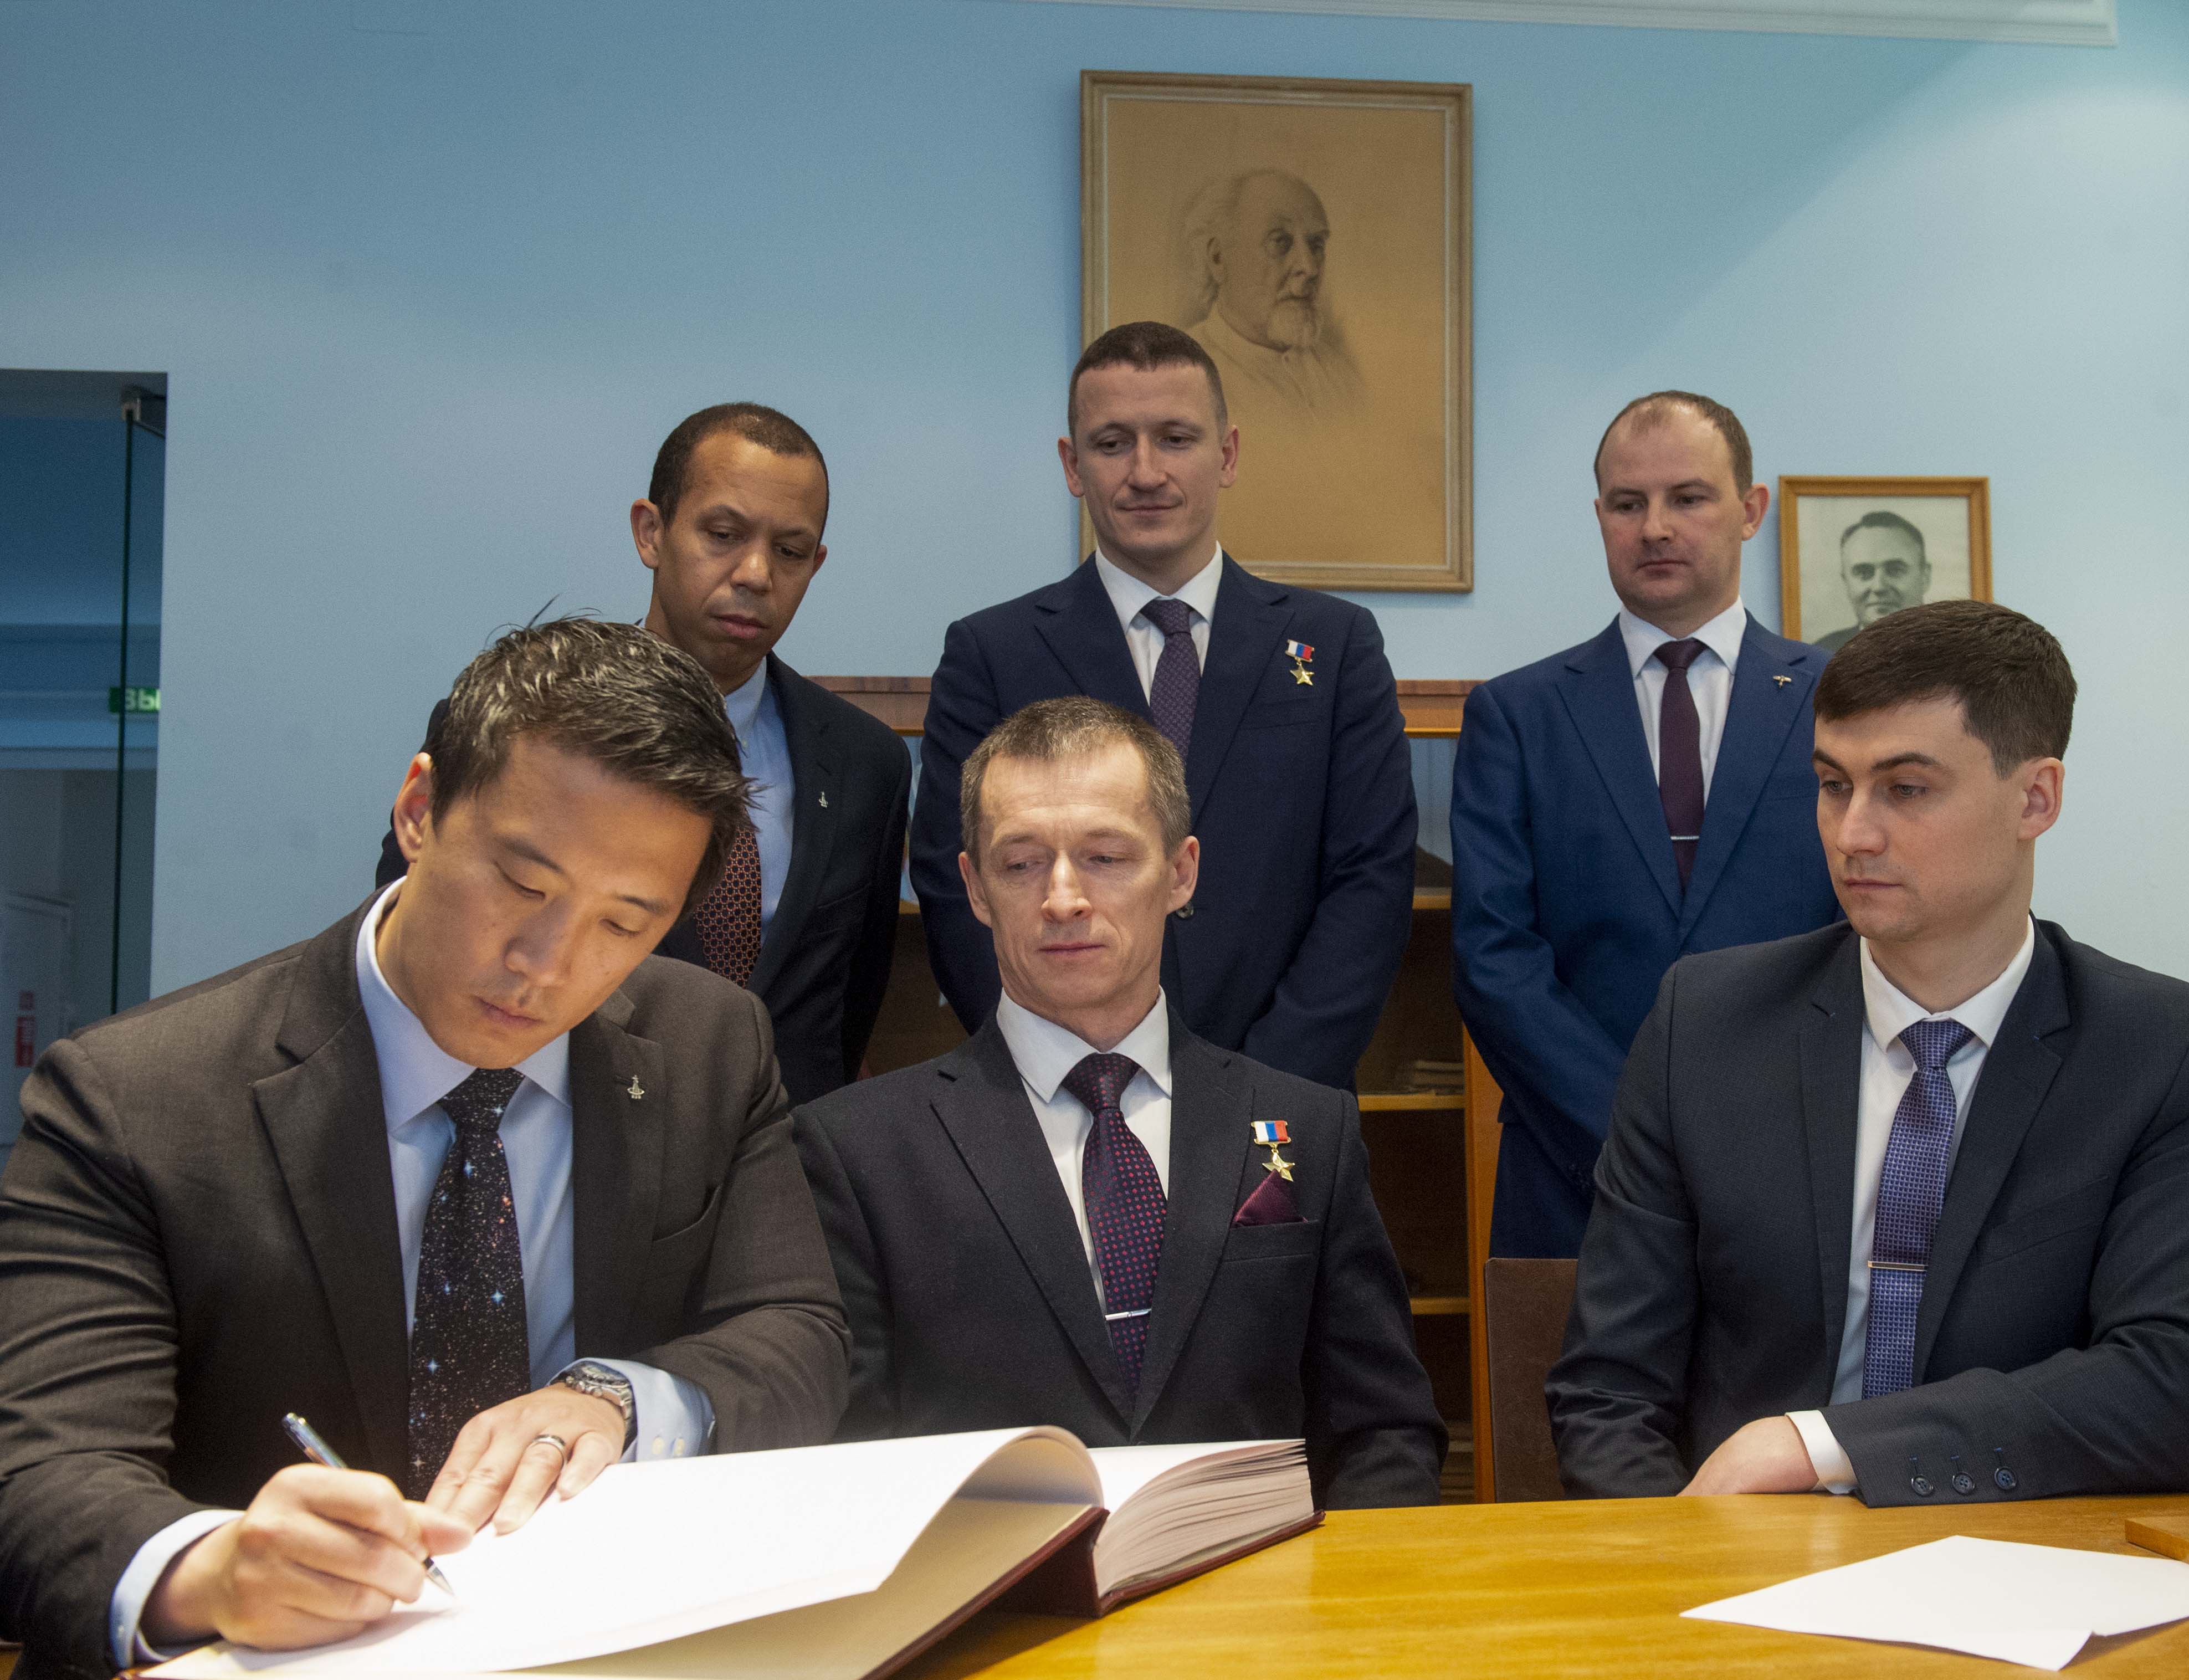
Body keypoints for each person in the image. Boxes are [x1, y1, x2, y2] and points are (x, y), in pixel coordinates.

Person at [0, 622, 849, 1680]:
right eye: (523, 884)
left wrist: (618, 1397)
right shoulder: (134, 1096)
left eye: (624, 923)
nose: (547, 964)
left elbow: (795, 1331)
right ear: (418, 809)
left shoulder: (708, 1043)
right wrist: (212, 1570)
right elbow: (43, 1471)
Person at [1547, 600, 2189, 1503]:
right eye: (1832, 784)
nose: (1853, 834)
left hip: (2018, 1552)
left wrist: (1822, 1445)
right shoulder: (1706, 1024)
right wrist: (1681, 1559)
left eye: (1906, 789)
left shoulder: (2163, 1051)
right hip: (1735, 1550)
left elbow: (2181, 1383)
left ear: (2035, 798)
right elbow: (1608, 1394)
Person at [799, 697, 1444, 1507]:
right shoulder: (856, 1151)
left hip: (1268, 1577)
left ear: (1180, 872)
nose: (1063, 898)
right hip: (1000, 1583)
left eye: (1105, 856)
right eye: (1021, 863)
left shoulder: (1309, 1126)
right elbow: (845, 1461)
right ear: (974, 887)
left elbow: (1383, 1433)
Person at [911, 322, 1415, 1091]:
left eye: (1176, 438)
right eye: (1113, 444)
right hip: (1060, 1096)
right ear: (1072, 465)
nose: (1146, 472)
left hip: (1282, 1095)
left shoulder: (1335, 644)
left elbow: (1371, 878)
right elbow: (958, 884)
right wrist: (1066, 1069)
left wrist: (1260, 1084)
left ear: (1228, 454)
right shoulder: (993, 652)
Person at [378, 403, 909, 1105]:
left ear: (816, 563)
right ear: (651, 532)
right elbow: (418, 933)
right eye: (723, 534)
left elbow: (857, 994)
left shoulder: (867, 760)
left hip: (794, 1140)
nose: (755, 573)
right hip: (580, 1129)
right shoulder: (522, 727)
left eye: (789, 551)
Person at [1452, 391, 1841, 1259]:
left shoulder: (1839, 702)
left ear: (1750, 510)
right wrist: (1633, 1146)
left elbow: (1869, 930)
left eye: (1688, 498)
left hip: (1794, 1170)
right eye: (1629, 504)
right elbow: (1494, 958)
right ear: (1601, 517)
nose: (1655, 527)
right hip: (1573, 1172)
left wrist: (1757, 1141)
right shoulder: (1517, 715)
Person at [1182, 170, 1361, 414]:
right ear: (1219, 259)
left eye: (1316, 245)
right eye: (1280, 242)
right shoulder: (1183, 375)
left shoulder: (1341, 373)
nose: (1310, 268)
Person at [1813, 511, 1931, 653]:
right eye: (1864, 574)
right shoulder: (1822, 653)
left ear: (1925, 577)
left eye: (1895, 571)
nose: (1879, 587)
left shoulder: (1953, 649)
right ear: (1846, 582)